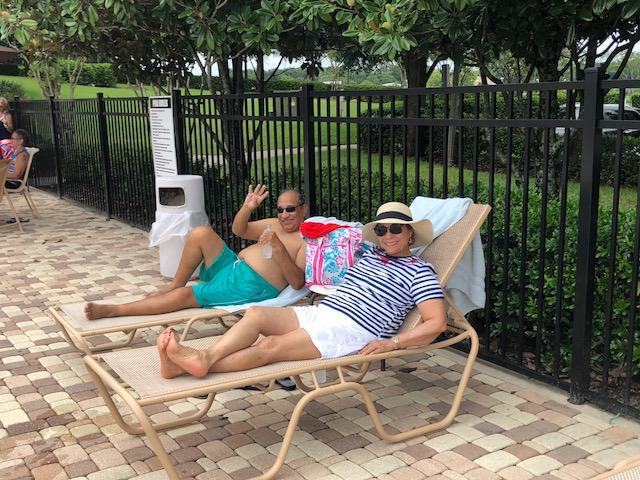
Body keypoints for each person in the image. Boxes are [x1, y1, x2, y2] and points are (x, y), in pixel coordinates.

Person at [156, 201, 447, 379]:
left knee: (270, 347)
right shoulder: (371, 254)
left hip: (353, 330)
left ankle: (194, 363)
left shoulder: (419, 271)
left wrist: (392, 344)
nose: (388, 236)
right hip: (324, 311)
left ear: (410, 232)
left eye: (396, 229)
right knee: (257, 314)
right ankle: (198, 361)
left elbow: (436, 323)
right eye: (381, 230)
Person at [85, 184, 308, 319]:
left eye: (290, 209)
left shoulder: (305, 241)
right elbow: (239, 230)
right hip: (232, 267)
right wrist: (247, 208)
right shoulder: (275, 224)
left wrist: (279, 249)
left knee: (186, 297)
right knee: (201, 233)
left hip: (250, 285)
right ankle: (174, 285)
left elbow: (298, 283)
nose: (284, 214)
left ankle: (115, 311)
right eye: (280, 209)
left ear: (303, 209)